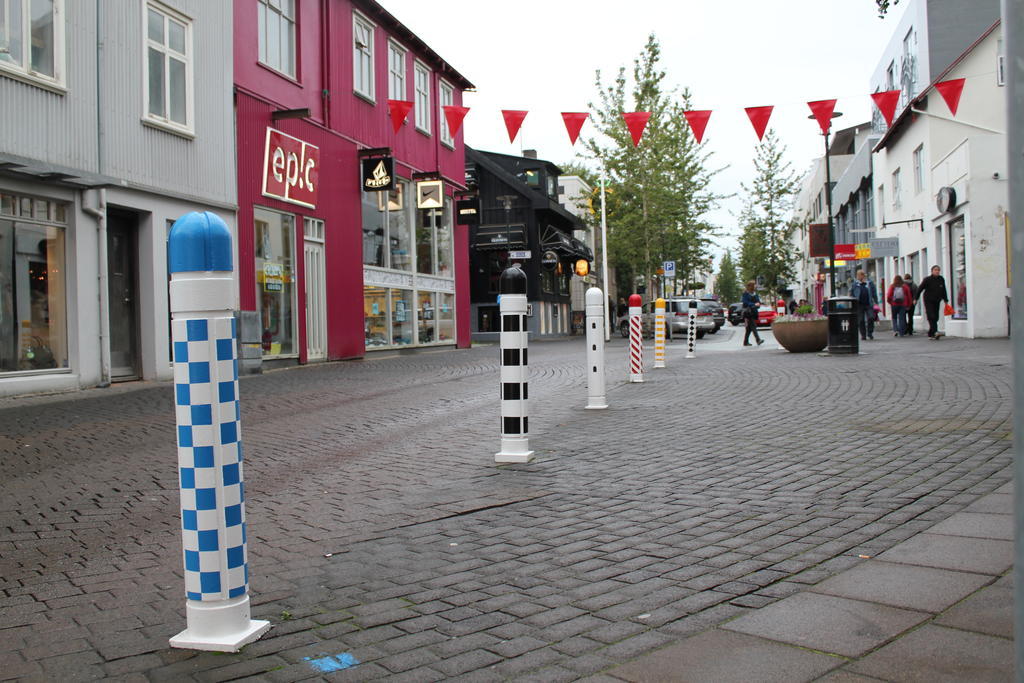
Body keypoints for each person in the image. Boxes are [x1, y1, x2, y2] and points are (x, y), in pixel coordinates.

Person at [917, 265, 949, 339]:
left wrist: (945, 299)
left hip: (937, 300)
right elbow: (920, 288)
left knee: (936, 317)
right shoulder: (927, 279)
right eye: (935, 270)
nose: (937, 271)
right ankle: (935, 332)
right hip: (928, 300)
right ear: (932, 271)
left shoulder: (941, 279)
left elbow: (943, 289)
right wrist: (916, 298)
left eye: (938, 270)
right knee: (931, 316)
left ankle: (931, 333)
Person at [849, 270, 879, 340]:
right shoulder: (855, 284)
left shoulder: (869, 283)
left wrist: (876, 302)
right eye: (858, 275)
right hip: (859, 305)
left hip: (869, 304)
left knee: (871, 317)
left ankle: (870, 332)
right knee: (861, 320)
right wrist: (853, 301)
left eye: (860, 275)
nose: (859, 277)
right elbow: (851, 293)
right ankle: (863, 335)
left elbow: (874, 293)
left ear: (863, 276)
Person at [741, 281, 764, 346]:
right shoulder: (745, 294)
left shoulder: (755, 294)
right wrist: (754, 304)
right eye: (754, 285)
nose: (756, 286)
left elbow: (758, 301)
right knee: (753, 326)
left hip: (754, 312)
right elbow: (745, 302)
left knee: (749, 329)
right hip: (748, 312)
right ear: (751, 286)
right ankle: (758, 340)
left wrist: (758, 304)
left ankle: (745, 342)